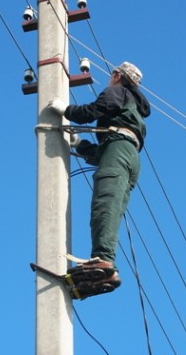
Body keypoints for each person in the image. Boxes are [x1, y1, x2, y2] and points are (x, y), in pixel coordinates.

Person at [48, 61, 151, 291]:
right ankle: (108, 273)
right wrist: (79, 144)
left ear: (117, 75)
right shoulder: (133, 111)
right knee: (111, 210)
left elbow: (92, 111)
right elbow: (107, 152)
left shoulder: (118, 92)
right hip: (129, 156)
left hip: (118, 149)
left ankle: (102, 259)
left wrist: (66, 110)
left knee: (104, 206)